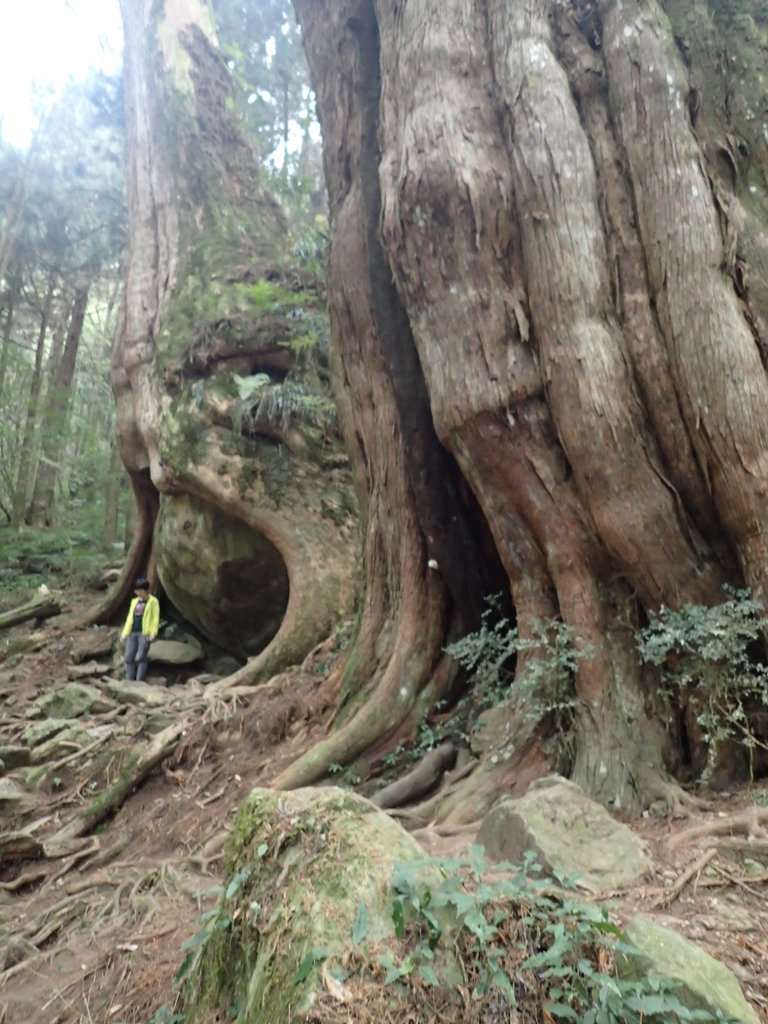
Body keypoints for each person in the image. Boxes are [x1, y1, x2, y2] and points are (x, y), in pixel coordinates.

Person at [120, 578, 160, 682]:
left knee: (140, 657)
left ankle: (139, 681)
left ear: (145, 590)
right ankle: (130, 680)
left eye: (139, 590)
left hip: (144, 633)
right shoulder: (134, 602)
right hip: (132, 632)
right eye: (136, 590)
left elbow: (155, 618)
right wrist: (124, 633)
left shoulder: (153, 602)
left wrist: (153, 632)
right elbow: (129, 618)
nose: (137, 593)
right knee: (129, 657)